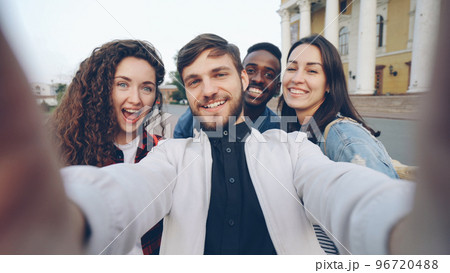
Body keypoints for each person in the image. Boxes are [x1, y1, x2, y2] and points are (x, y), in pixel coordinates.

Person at [0, 30, 448, 255]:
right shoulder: (170, 156)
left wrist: (402, 227)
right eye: (193, 80)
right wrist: (68, 218)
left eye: (219, 74)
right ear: (185, 92)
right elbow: (125, 191)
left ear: (241, 78)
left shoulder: (291, 149)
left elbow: (337, 187)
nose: (207, 89)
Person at [50, 40, 167, 255]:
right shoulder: (61, 150)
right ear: (100, 89)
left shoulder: (163, 151)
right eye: (123, 84)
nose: (136, 99)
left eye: (147, 88)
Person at [279, 35, 398, 179]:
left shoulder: (344, 137)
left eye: (312, 71)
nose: (296, 79)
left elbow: (381, 198)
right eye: (291, 68)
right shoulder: (297, 129)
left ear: (329, 83)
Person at [173, 42, 281, 138]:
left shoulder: (279, 130)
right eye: (251, 70)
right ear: (241, 77)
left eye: (268, 75)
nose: (258, 79)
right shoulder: (193, 118)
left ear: (277, 88)